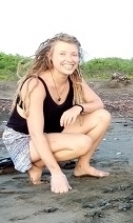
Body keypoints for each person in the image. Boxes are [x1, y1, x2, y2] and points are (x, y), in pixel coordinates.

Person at [1, 33, 111, 194]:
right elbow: (36, 134)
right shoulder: (35, 84)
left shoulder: (75, 79)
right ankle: (36, 164)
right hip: (23, 140)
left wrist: (78, 108)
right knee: (83, 143)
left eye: (74, 54)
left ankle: (82, 166)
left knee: (103, 116)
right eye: (62, 53)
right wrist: (56, 173)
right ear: (49, 56)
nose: (70, 59)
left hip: (51, 131)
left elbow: (98, 103)